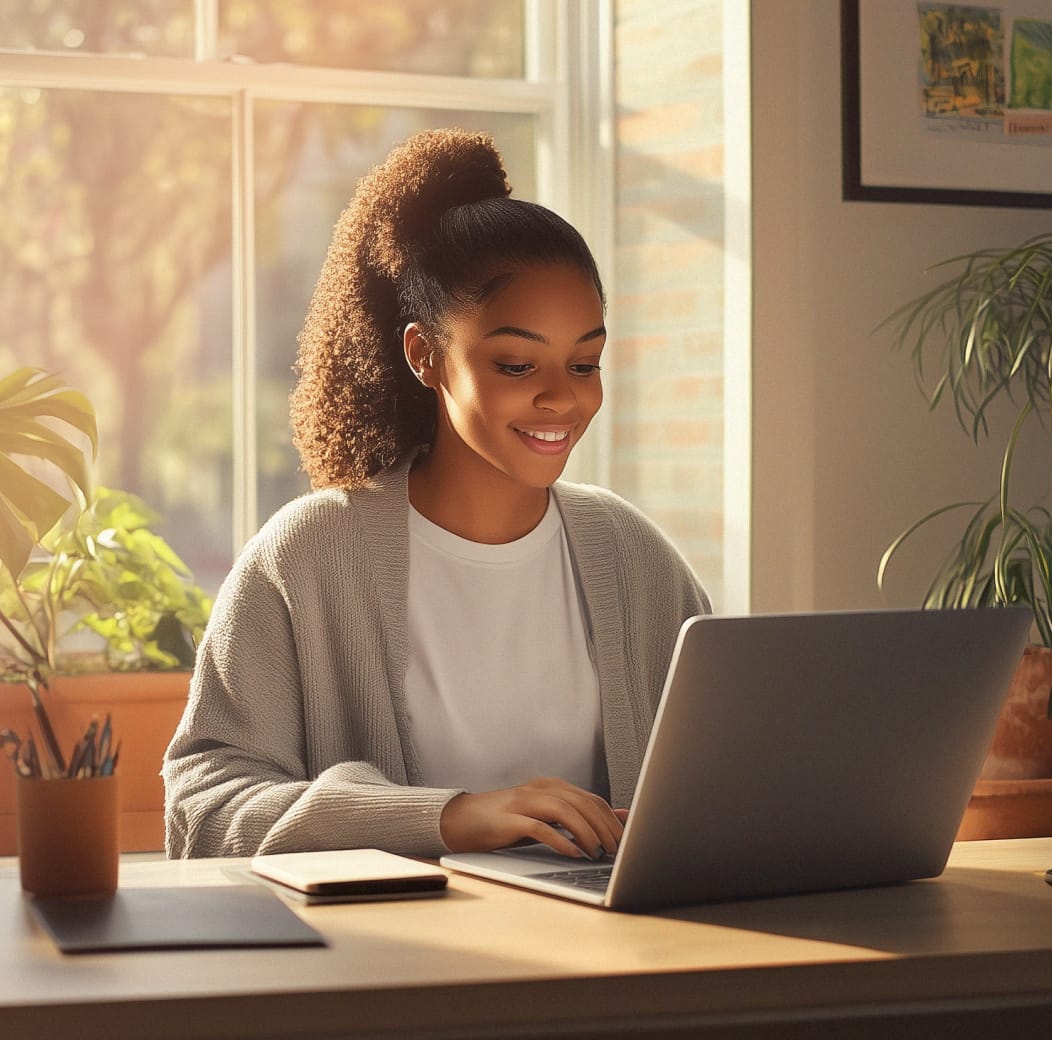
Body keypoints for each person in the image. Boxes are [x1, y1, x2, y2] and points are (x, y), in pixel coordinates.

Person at [163, 128, 710, 861]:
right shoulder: (308, 555)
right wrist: (449, 818)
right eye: (517, 365)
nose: (562, 400)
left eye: (585, 364)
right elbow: (205, 805)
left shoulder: (630, 552)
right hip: (393, 961)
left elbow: (721, 777)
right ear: (425, 355)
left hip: (611, 954)